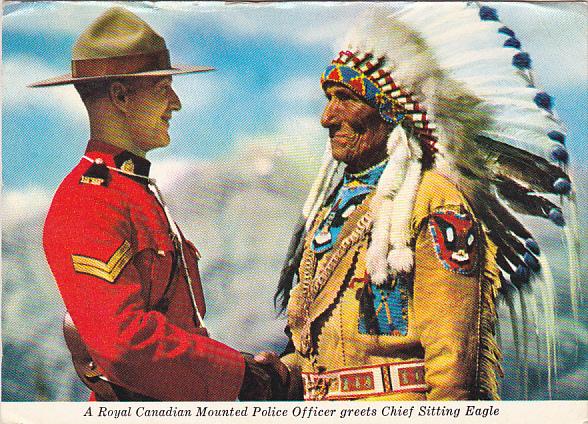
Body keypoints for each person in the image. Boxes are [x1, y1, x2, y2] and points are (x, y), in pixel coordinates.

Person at [259, 3, 575, 400]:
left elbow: (455, 360)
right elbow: (321, 350)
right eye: (327, 98)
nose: (327, 117)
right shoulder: (331, 208)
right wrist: (280, 372)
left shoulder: (435, 203)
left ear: (392, 113)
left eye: (345, 98)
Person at [34, 7, 275, 401]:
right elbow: (124, 344)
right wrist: (245, 378)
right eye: (163, 88)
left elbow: (179, 330)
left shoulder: (134, 191)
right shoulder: (89, 201)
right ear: (121, 96)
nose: (176, 103)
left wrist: (244, 367)